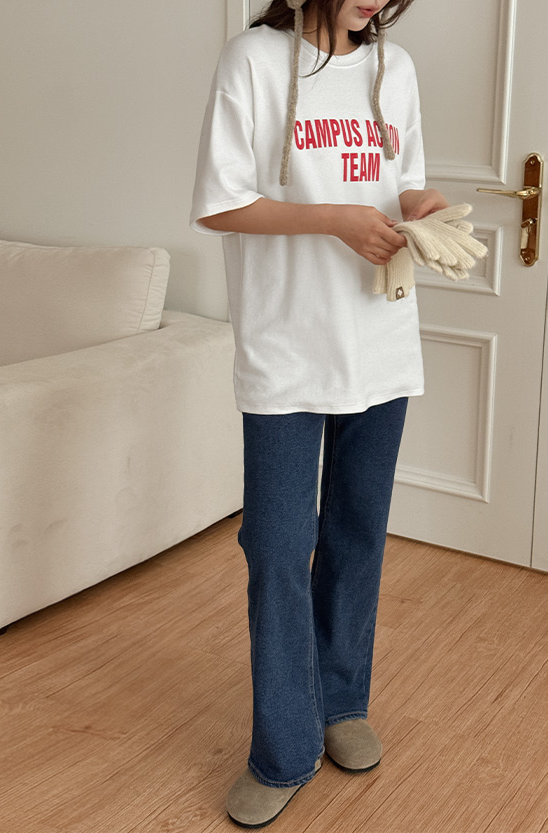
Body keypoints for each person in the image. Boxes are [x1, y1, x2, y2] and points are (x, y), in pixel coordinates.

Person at [190, 0, 449, 827]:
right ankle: (283, 747)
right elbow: (219, 202)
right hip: (286, 346)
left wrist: (424, 209)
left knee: (357, 531)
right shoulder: (253, 60)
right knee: (275, 546)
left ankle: (341, 703)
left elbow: (401, 180)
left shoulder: (395, 68)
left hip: (380, 335)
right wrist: (333, 220)